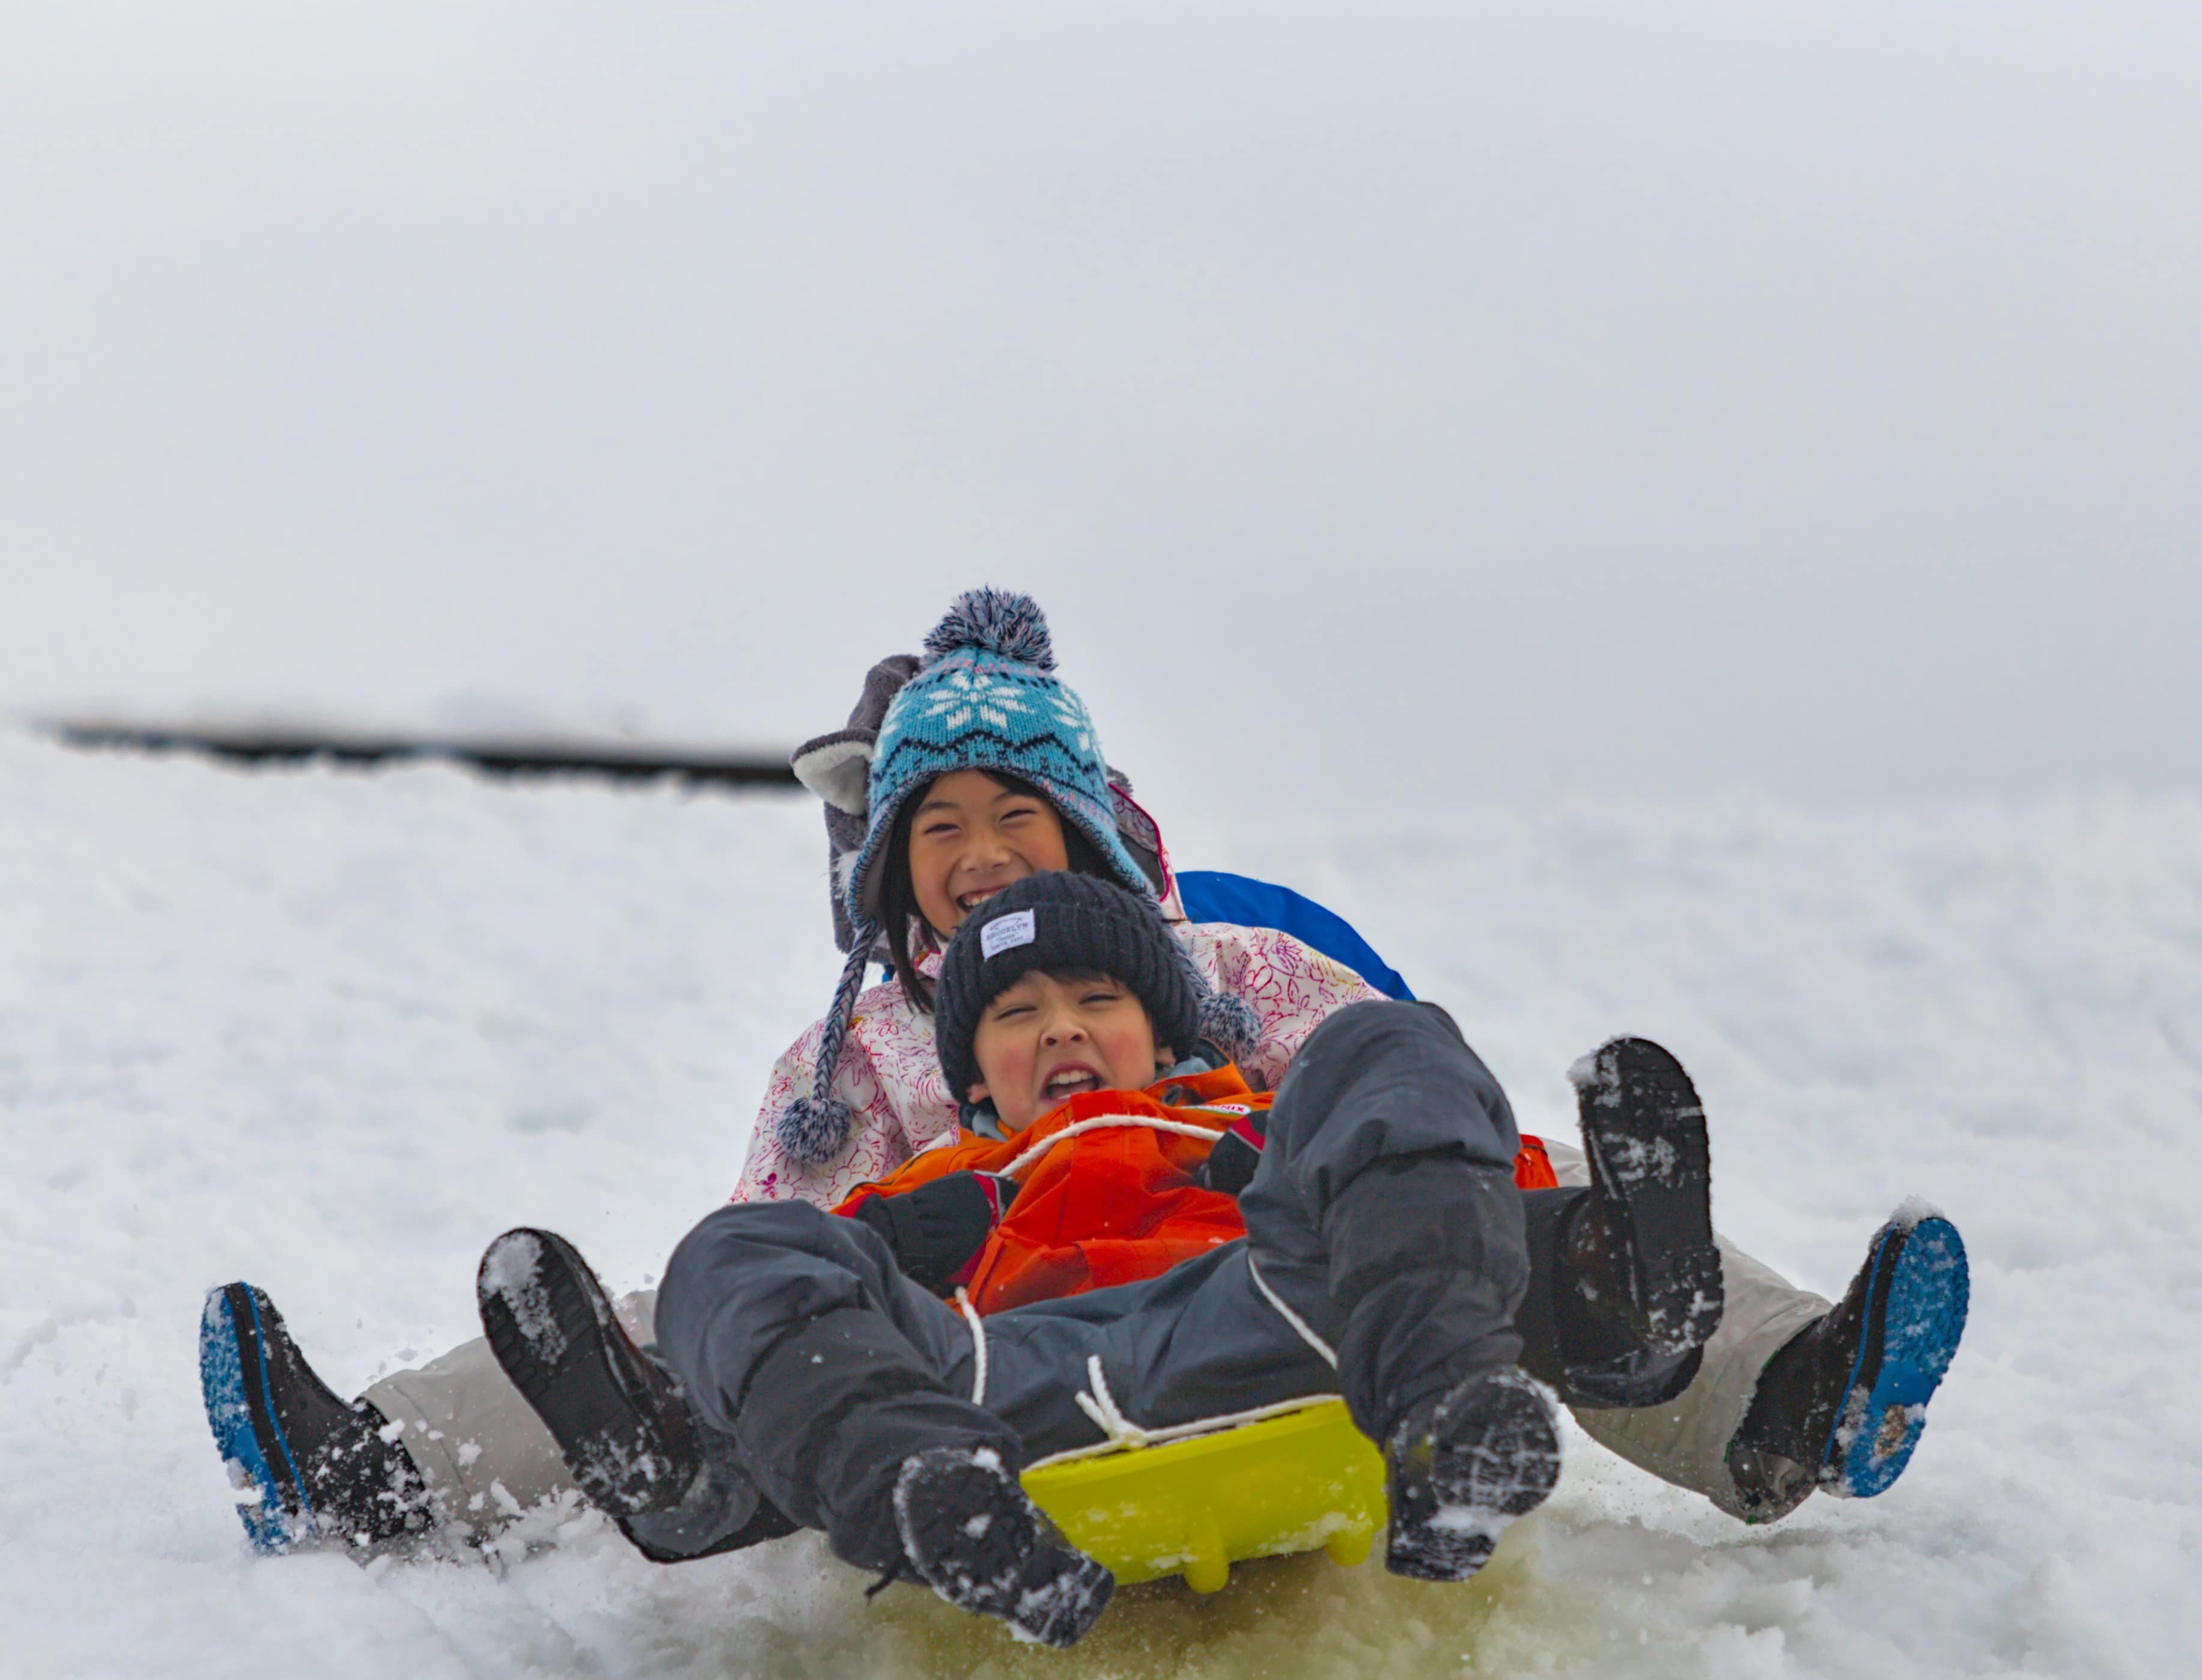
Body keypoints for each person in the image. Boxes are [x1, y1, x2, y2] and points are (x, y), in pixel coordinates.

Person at [199, 585, 1956, 1561]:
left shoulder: (1239, 964)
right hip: (999, 1332)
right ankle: (393, 1474)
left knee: (1533, 1208)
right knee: (693, 1299)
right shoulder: (866, 1054)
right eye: (931, 831)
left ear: (1091, 830)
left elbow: (1420, 1136)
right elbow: (781, 1251)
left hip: (1288, 1290)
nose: (973, 855)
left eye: (1010, 817)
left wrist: (1508, 1234)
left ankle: (1776, 1392)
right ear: (884, 873)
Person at [475, 872, 1969, 1645]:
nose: (1060, 1026)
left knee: (1396, 1048)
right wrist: (878, 1246)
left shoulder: (1257, 1113)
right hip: (1001, 1395)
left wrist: (1552, 1247)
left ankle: (1488, 1395)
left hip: (1292, 1321)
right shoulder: (934, 1183)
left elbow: (1464, 1174)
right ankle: (864, 1493)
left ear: (1165, 1025)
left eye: (1094, 998)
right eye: (1015, 1016)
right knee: (739, 1252)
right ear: (972, 1073)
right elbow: (794, 1292)